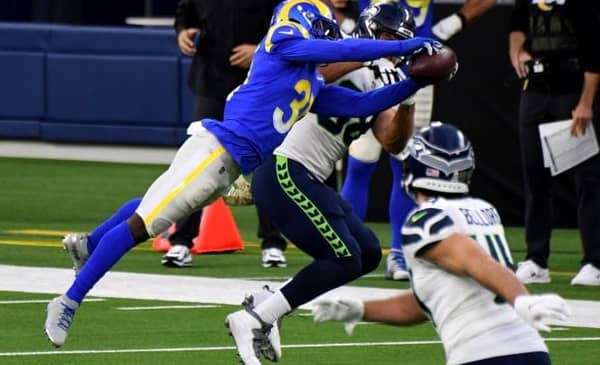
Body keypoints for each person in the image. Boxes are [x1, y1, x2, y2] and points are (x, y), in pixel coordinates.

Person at [44, 0, 440, 349]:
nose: (325, 35)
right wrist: (403, 45)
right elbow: (339, 47)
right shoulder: (281, 43)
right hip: (216, 151)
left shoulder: (309, 82)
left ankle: (89, 243)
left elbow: (363, 103)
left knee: (161, 203)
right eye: (320, 29)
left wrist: (415, 83)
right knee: (145, 223)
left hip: (233, 163)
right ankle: (69, 300)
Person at [225, 3, 447, 364]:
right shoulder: (338, 47)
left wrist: (408, 98)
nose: (393, 48)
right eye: (389, 38)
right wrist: (368, 54)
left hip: (308, 176)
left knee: (368, 253)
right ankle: (255, 319)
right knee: (342, 256)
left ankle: (269, 301)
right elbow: (317, 73)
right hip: (284, 167)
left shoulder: (386, 76)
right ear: (370, 32)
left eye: (399, 42)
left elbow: (392, 142)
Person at [312, 122, 571, 365]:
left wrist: (521, 299)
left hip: (481, 354)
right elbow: (430, 301)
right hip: (532, 350)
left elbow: (475, 261)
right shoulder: (483, 210)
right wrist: (361, 310)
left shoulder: (426, 218)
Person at [342, 0, 496, 281]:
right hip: (369, 60)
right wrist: (348, 25)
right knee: (360, 161)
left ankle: (400, 253)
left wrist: (448, 26)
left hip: (413, 65)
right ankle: (345, 247)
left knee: (405, 165)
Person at [509, 0, 600, 286]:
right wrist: (517, 50)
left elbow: (594, 46)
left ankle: (594, 261)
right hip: (536, 90)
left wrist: (586, 102)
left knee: (587, 178)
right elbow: (516, 23)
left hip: (572, 88)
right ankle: (537, 259)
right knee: (535, 176)